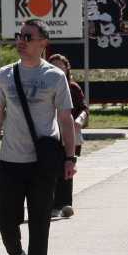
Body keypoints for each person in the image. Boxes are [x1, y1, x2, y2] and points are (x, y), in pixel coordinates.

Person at [0, 19, 76, 255]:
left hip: (43, 162)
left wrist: (69, 157)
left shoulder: (54, 76)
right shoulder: (5, 75)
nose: (21, 41)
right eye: (19, 36)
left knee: (39, 223)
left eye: (28, 37)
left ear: (43, 42)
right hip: (11, 160)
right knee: (5, 219)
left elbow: (65, 119)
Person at [48, 53, 88, 219]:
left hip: (68, 133)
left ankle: (65, 204)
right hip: (49, 133)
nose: (57, 69)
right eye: (53, 66)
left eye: (61, 66)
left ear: (67, 69)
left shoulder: (73, 88)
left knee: (67, 165)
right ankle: (52, 204)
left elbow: (84, 109)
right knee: (52, 167)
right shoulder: (43, 87)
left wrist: (79, 120)